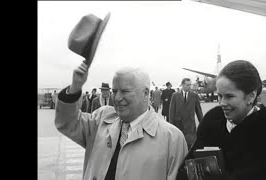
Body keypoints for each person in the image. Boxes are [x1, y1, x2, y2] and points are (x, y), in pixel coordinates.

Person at [55, 64, 188, 180]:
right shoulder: (100, 120)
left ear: (146, 93)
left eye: (125, 91)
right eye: (114, 91)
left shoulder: (172, 139)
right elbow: (66, 122)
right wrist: (75, 86)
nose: (117, 98)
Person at [176, 60, 266, 180]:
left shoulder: (265, 131)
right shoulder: (212, 124)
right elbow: (185, 170)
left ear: (251, 96)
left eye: (229, 96)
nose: (222, 103)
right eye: (220, 96)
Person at [169, 78, 203, 149]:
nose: (189, 86)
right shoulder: (175, 95)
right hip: (178, 125)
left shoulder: (194, 96)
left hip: (190, 126)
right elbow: (171, 111)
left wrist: (202, 123)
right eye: (187, 85)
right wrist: (171, 126)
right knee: (179, 146)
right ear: (182, 85)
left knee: (190, 146)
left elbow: (199, 111)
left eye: (190, 85)